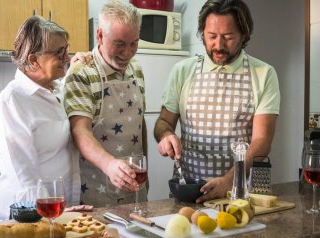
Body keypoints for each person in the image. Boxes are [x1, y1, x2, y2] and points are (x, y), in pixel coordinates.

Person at [154, 0, 280, 203]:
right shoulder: (182, 71)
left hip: (239, 193)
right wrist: (166, 135)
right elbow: (163, 122)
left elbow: (262, 141)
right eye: (211, 36)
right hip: (189, 190)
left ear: (244, 35)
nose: (218, 45)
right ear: (202, 33)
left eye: (228, 37)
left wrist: (228, 181)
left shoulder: (264, 74)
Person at [0, 15, 80, 219]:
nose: (66, 58)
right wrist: (49, 212)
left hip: (57, 209)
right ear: (33, 59)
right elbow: (25, 175)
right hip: (28, 213)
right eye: (59, 52)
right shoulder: (12, 101)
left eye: (66, 50)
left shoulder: (55, 90)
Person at [62, 0, 147, 207]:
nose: (127, 53)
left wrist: (148, 177)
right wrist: (110, 165)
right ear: (100, 35)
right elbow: (80, 132)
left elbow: (140, 124)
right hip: (97, 193)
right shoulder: (82, 72)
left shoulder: (136, 69)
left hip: (136, 190)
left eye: (134, 43)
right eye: (119, 44)